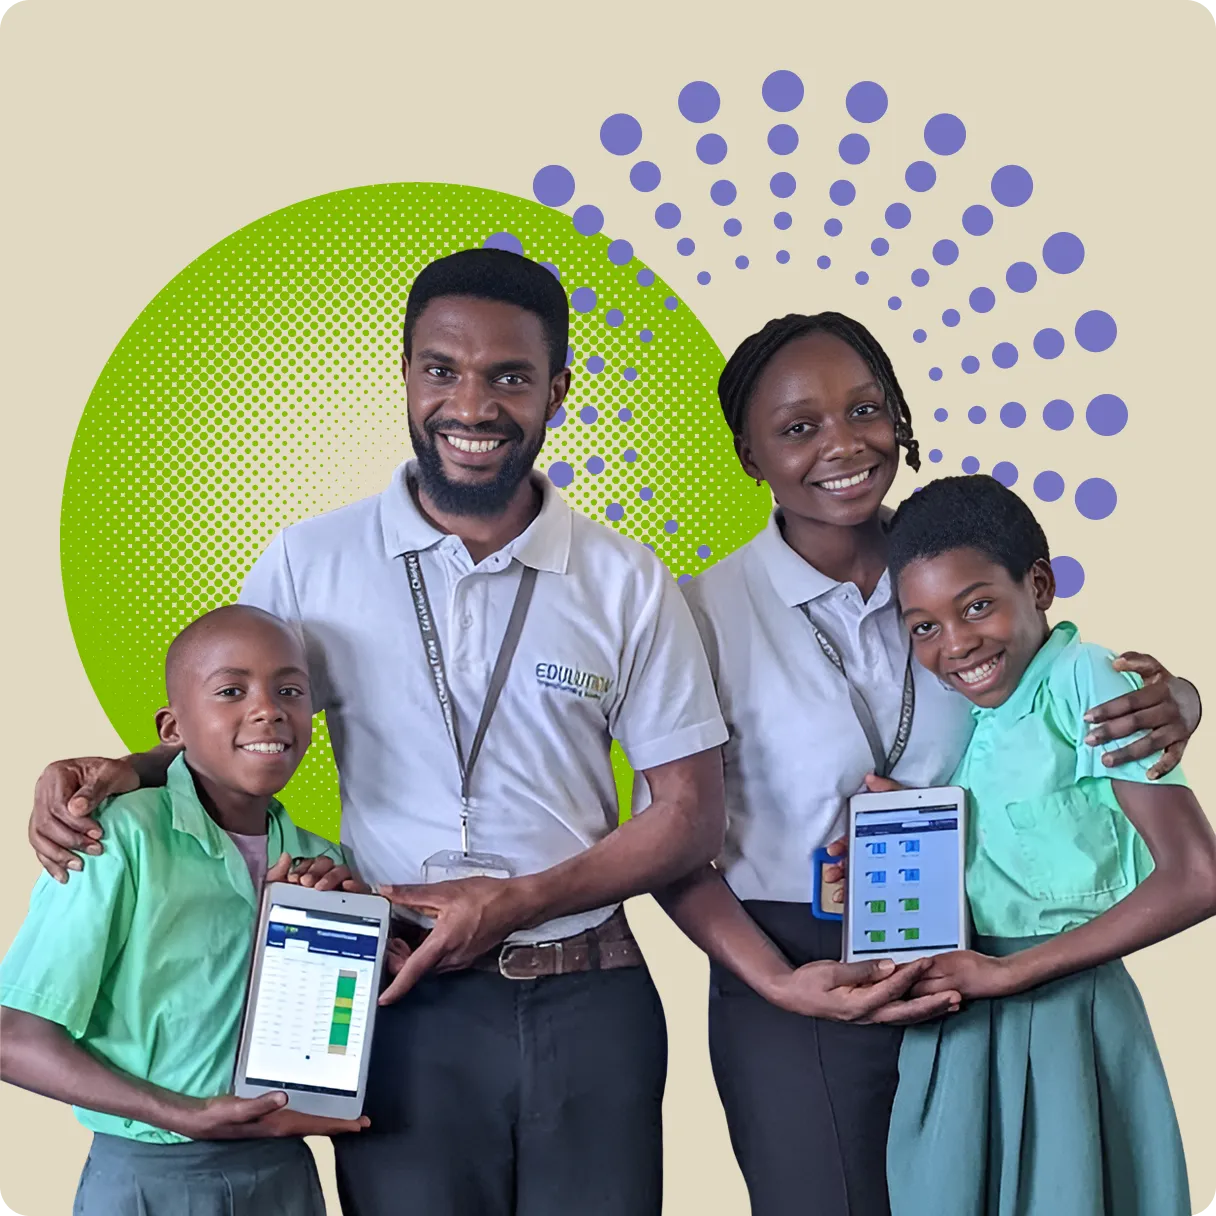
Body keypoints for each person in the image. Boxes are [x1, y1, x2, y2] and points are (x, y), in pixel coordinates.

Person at [23, 251, 930, 1216]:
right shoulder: (311, 560)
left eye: (510, 376)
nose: (473, 404)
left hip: (592, 1000)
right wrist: (124, 768)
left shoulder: (626, 579)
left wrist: (513, 901)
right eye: (442, 370)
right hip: (393, 999)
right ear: (407, 376)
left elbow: (691, 818)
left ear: (556, 392)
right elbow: (233, 724)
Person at [656, 312, 1203, 1216]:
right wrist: (779, 981)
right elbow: (669, 838)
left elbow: (1064, 703)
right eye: (798, 427)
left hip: (976, 964)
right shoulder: (697, 613)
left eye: (865, 408)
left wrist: (1182, 699)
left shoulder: (957, 566)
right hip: (796, 972)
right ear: (749, 457)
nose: (843, 443)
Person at [882, 473, 1214, 1215]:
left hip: (1066, 1004)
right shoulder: (967, 712)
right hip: (962, 1007)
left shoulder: (1085, 677)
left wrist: (1012, 974)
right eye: (924, 626)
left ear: (1039, 584)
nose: (956, 643)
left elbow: (1197, 877)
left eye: (976, 605)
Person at [1, 604, 369, 1216]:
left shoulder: (320, 861)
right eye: (231, 690)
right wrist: (182, 1114)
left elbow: (325, 1039)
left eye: (290, 690)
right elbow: (15, 1039)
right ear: (172, 729)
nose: (268, 709)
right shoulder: (117, 839)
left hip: (282, 1174)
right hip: (149, 1177)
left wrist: (359, 949)